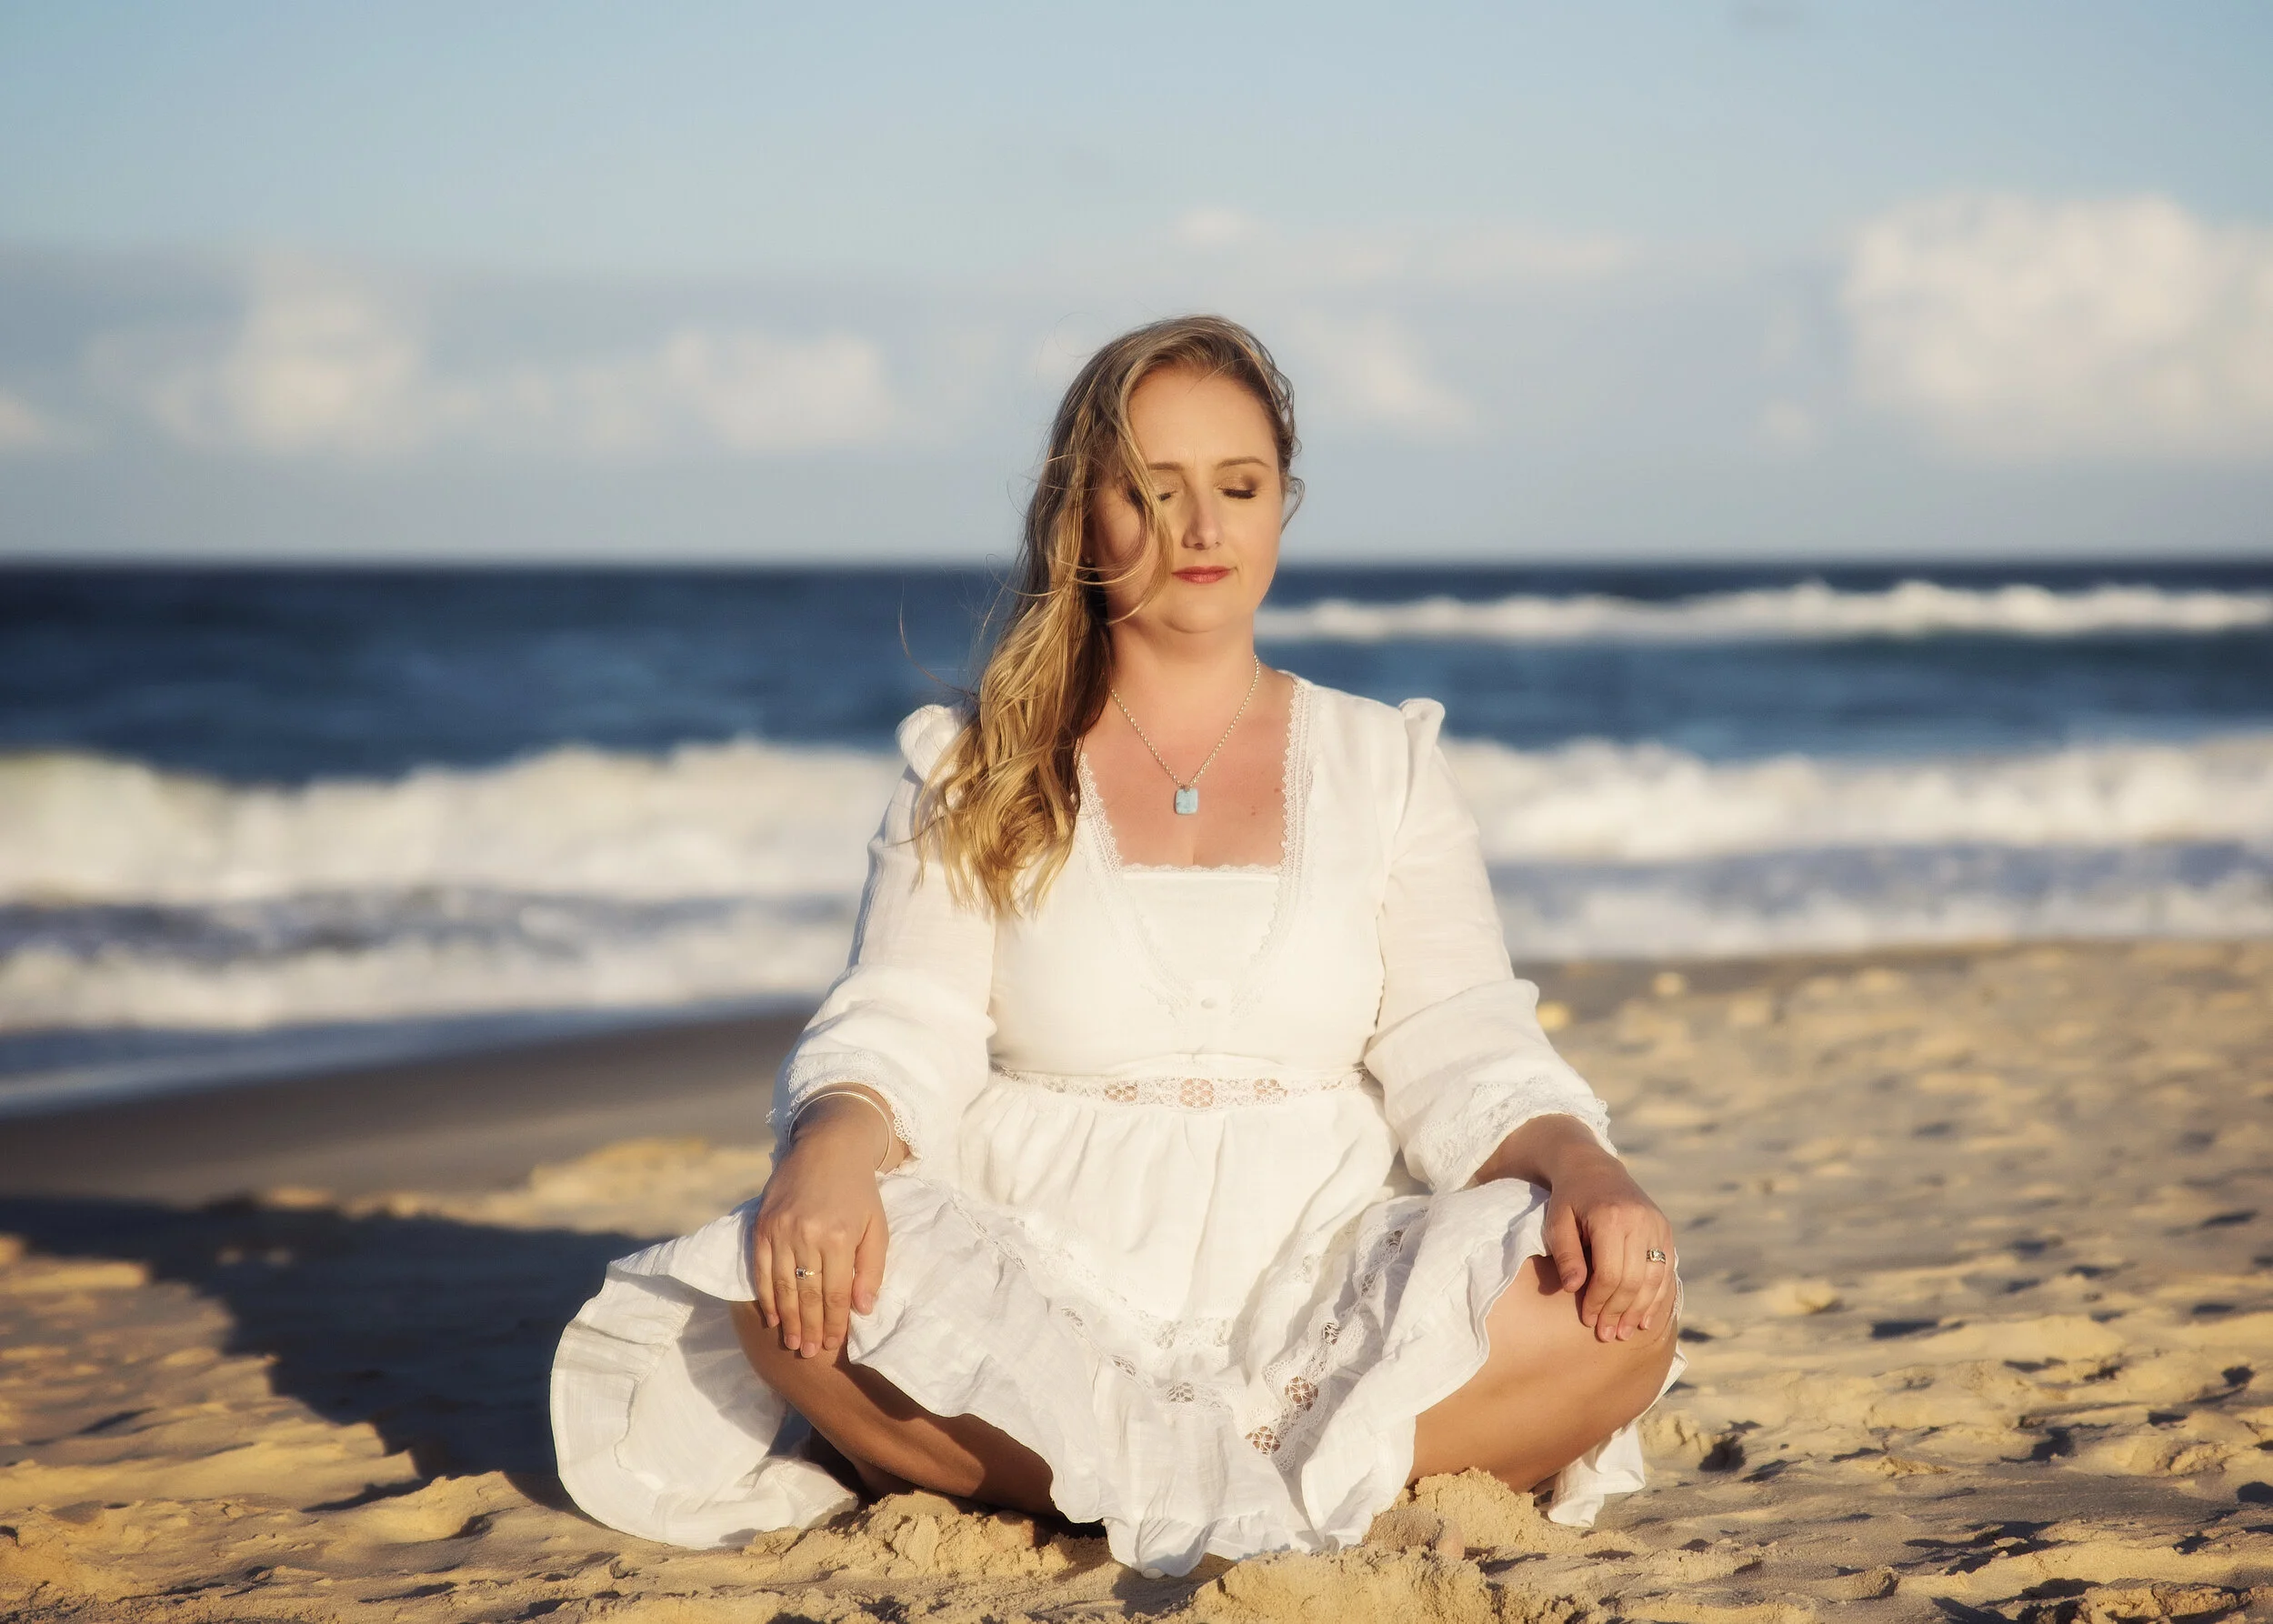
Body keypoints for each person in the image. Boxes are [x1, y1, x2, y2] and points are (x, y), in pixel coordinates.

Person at [551, 315, 1683, 1579]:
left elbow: (1459, 1036)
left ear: (1281, 506)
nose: (1201, 528)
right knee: (775, 1295)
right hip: (1043, 1264)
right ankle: (1284, 1475)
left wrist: (1583, 1162)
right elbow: (902, 1017)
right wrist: (828, 1143)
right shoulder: (975, 760)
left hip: (1320, 1268)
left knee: (1617, 1312)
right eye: (1150, 491)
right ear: (1080, 513)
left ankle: (1141, 1481)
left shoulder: (1385, 762)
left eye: (1238, 488)